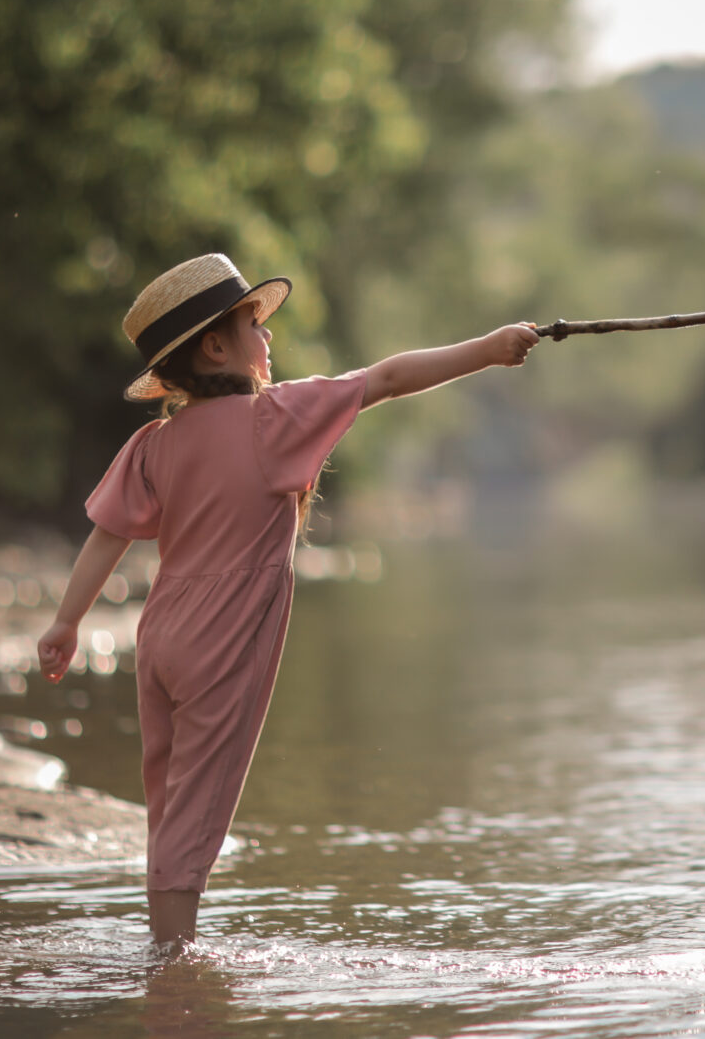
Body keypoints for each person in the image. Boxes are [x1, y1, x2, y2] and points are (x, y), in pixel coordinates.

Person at [36, 253, 538, 947]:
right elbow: (386, 379)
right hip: (221, 638)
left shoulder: (154, 442)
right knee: (199, 804)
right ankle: (172, 971)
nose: (268, 336)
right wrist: (488, 349)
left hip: (161, 638)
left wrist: (68, 620)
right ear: (216, 345)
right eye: (254, 323)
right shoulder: (274, 419)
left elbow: (106, 536)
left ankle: (165, 948)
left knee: (168, 800)